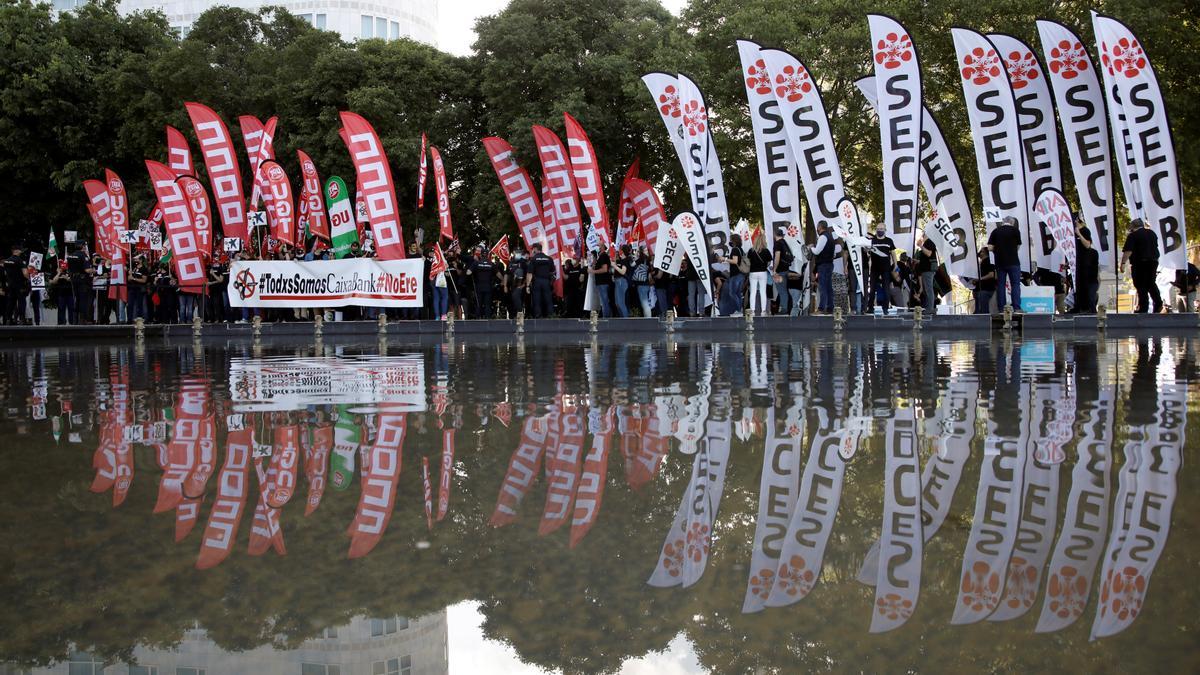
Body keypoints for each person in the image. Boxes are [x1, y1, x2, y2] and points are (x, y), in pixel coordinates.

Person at [1120, 218, 1163, 314]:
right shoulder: (1152, 233)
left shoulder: (1133, 236)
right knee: (1151, 283)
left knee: (1140, 285)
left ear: (1133, 227)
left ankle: (1143, 307)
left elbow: (1128, 251)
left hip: (1140, 262)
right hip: (1153, 261)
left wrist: (1123, 263)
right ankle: (1158, 303)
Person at [986, 216, 1023, 312]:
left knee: (1001, 285)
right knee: (1015, 284)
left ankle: (1001, 308)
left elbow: (989, 247)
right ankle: (1017, 307)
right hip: (1013, 261)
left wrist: (998, 250)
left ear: (1003, 222)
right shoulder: (1015, 231)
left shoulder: (995, 231)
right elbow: (1018, 245)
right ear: (1012, 222)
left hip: (1000, 262)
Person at [1074, 222, 1100, 314]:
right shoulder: (1079, 253)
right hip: (1081, 279)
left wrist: (1079, 234)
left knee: (1090, 300)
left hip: (1090, 280)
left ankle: (1091, 311)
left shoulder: (1093, 253)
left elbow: (1087, 245)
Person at [868, 226, 896, 313]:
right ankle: (870, 308)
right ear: (876, 230)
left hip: (886, 269)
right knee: (872, 289)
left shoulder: (889, 241)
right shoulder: (872, 241)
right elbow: (868, 254)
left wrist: (895, 264)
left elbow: (893, 253)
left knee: (886, 289)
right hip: (874, 269)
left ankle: (885, 308)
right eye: (878, 229)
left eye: (881, 229)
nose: (880, 230)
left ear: (885, 230)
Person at [810, 222, 836, 314]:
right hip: (829, 264)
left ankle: (821, 308)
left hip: (823, 265)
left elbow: (816, 252)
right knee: (828, 287)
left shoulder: (823, 237)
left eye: (817, 227)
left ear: (819, 227)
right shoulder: (830, 237)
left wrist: (811, 247)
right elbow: (834, 253)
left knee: (823, 287)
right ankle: (830, 308)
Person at [66, 243, 93, 324]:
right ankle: (83, 319)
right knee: (83, 300)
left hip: (74, 280)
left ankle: (75, 320)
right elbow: (87, 270)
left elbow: (68, 268)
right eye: (84, 246)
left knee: (76, 299)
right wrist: (93, 270)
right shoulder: (83, 255)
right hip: (82, 280)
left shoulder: (70, 255)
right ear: (82, 246)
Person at [527, 243, 555, 319]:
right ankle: (551, 316)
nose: (532, 250)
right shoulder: (549, 259)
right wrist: (551, 282)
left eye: (533, 249)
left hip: (537, 281)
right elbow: (553, 272)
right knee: (548, 299)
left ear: (536, 249)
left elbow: (530, 273)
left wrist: (527, 285)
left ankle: (538, 316)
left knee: (537, 299)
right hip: (546, 281)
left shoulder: (533, 259)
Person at [747, 233, 771, 315]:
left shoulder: (751, 250)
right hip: (763, 272)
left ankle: (752, 311)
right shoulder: (766, 251)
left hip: (753, 272)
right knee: (763, 291)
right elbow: (769, 262)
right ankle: (763, 311)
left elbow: (749, 262)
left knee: (753, 292)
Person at [469, 246, 496, 319]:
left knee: (479, 303)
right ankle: (487, 318)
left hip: (479, 287)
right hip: (488, 287)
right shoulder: (491, 264)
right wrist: (503, 280)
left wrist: (471, 268)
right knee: (487, 303)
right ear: (487, 255)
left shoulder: (476, 263)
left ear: (480, 255)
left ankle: (478, 318)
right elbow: (498, 274)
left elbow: (468, 272)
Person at [3, 245, 28, 324]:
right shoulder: (20, 261)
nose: (21, 252)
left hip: (10, 285)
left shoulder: (6, 261)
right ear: (17, 251)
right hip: (19, 284)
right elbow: (25, 273)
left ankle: (8, 319)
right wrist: (29, 277)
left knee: (11, 302)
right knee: (21, 301)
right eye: (20, 250)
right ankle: (22, 319)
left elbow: (4, 273)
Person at [773, 229, 793, 315]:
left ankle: (784, 309)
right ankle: (784, 308)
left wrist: (774, 269)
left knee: (782, 291)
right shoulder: (784, 242)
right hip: (785, 270)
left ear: (775, 234)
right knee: (784, 290)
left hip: (779, 271)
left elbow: (777, 257)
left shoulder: (777, 243)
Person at [915, 238, 938, 313]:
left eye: (923, 233)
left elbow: (929, 253)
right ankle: (928, 307)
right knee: (926, 289)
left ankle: (930, 308)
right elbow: (927, 258)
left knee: (928, 289)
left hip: (928, 270)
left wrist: (921, 246)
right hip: (925, 269)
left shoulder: (930, 241)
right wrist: (918, 261)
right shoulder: (927, 243)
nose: (922, 235)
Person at [504, 249, 528, 317]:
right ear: (513, 253)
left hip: (520, 287)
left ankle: (520, 320)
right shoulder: (510, 262)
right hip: (511, 286)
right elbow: (506, 274)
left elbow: (528, 274)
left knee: (519, 304)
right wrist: (505, 286)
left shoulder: (523, 262)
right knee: (511, 303)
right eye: (517, 253)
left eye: (519, 253)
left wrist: (523, 285)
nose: (518, 254)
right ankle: (512, 318)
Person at [630, 247, 653, 317]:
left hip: (641, 284)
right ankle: (648, 317)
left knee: (644, 303)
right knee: (646, 302)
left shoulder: (640, 259)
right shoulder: (648, 260)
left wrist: (635, 258)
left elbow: (632, 265)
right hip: (647, 284)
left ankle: (648, 319)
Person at [127, 255, 150, 322]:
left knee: (139, 305)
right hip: (132, 289)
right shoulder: (133, 268)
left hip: (139, 289)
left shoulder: (144, 269)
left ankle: (140, 320)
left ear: (141, 260)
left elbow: (144, 280)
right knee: (130, 304)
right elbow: (129, 279)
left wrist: (134, 278)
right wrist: (130, 275)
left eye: (137, 259)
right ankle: (130, 319)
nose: (135, 261)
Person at [974, 248, 997, 314]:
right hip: (980, 289)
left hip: (986, 288)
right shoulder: (981, 262)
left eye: (981, 251)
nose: (979, 253)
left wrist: (979, 279)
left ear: (985, 253)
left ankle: (984, 320)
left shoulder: (988, 261)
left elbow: (991, 274)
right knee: (979, 309)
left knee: (983, 309)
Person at [51, 260, 74, 325]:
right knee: (61, 308)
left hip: (70, 293)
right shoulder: (57, 271)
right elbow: (53, 281)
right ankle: (61, 323)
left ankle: (72, 322)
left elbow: (74, 280)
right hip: (61, 293)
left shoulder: (70, 271)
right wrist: (58, 273)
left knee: (71, 308)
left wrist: (67, 278)